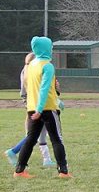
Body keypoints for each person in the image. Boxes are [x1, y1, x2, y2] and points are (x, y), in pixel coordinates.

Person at [13, 36, 69, 178]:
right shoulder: (47, 66)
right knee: (56, 139)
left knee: (31, 139)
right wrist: (41, 109)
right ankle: (63, 171)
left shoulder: (30, 66)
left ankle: (19, 170)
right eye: (50, 47)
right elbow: (44, 89)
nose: (51, 49)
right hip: (47, 108)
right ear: (45, 48)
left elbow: (29, 87)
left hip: (31, 107)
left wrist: (35, 108)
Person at [5, 52, 54, 167]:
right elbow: (35, 90)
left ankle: (46, 160)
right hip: (35, 105)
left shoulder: (26, 70)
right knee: (34, 134)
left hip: (31, 104)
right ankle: (14, 151)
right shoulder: (30, 71)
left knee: (38, 133)